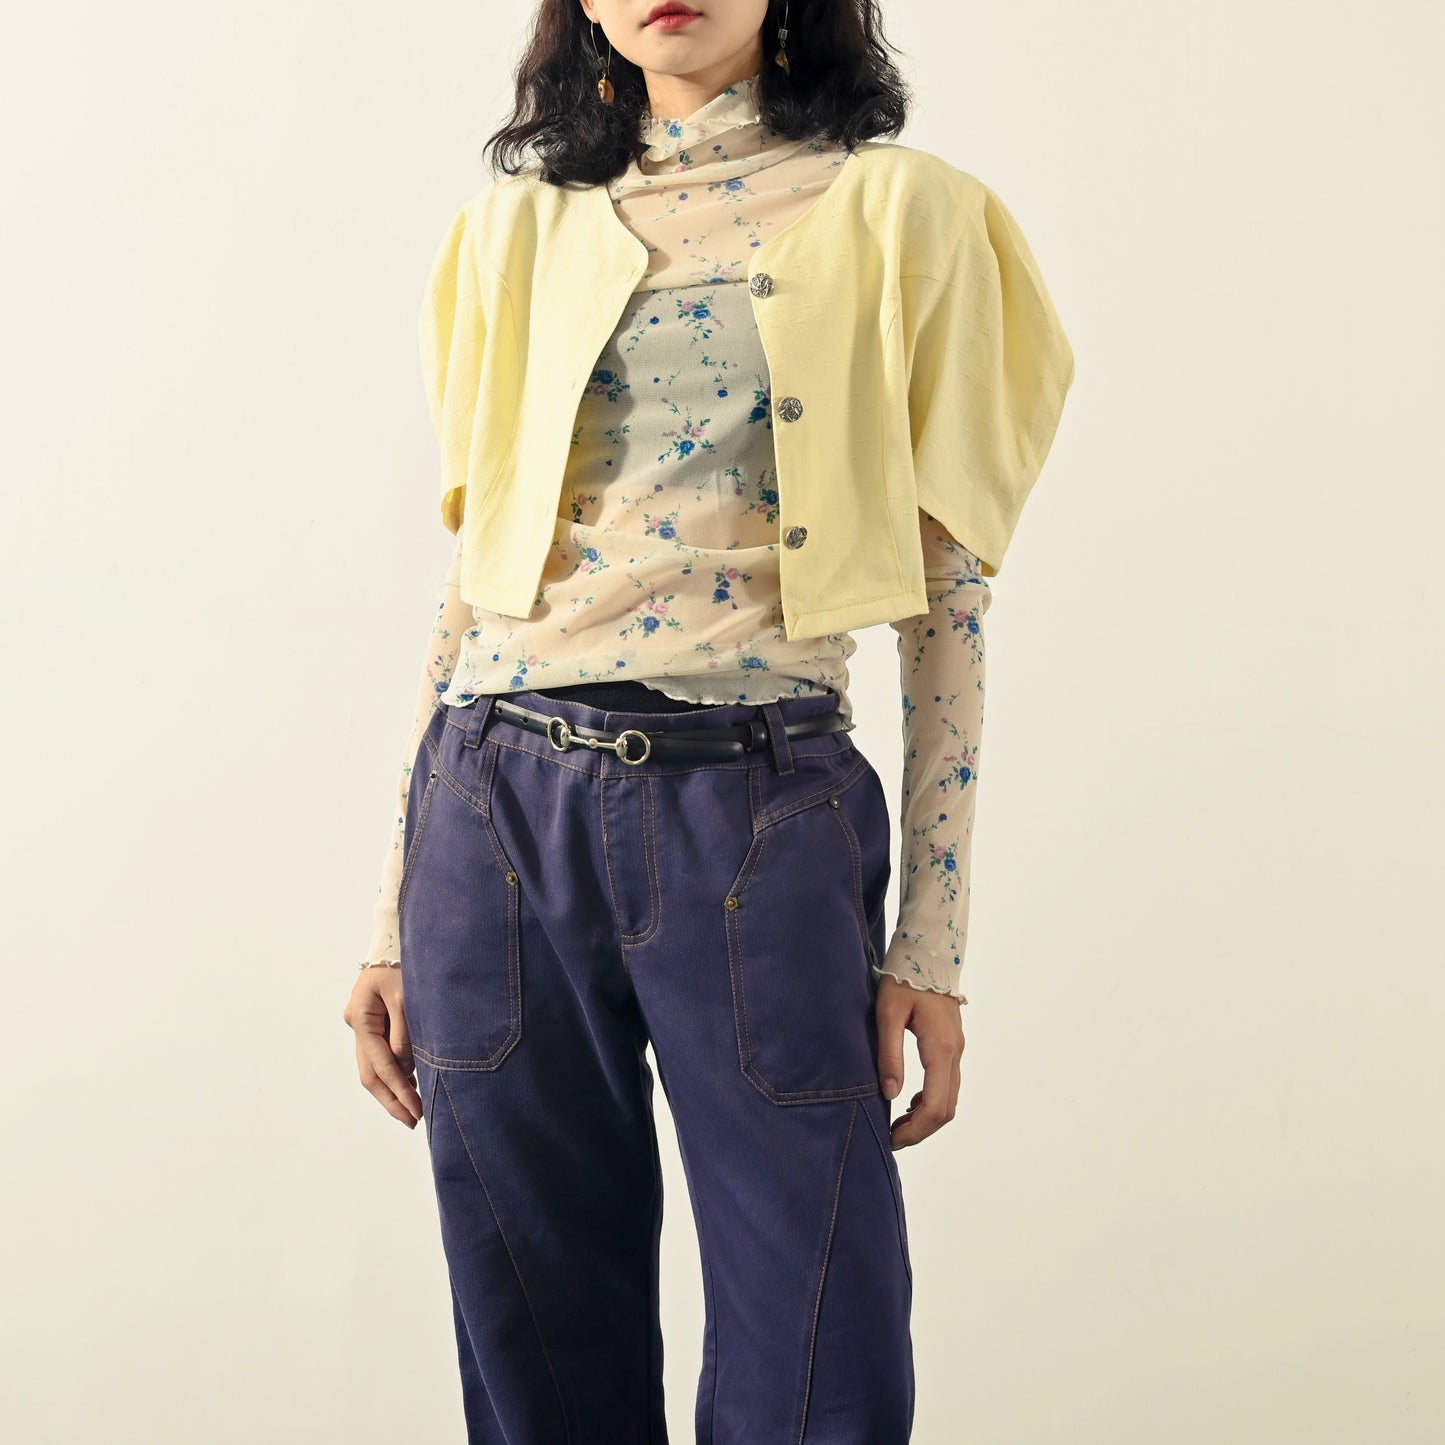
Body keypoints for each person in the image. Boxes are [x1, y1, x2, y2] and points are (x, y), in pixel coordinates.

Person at [343, 2, 1074, 1439]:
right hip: (493, 809)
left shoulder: (912, 217)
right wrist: (389, 913)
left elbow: (946, 597)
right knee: (534, 1334)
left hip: (757, 808)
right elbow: (474, 591)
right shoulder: (510, 234)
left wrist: (930, 943)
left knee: (817, 1333)